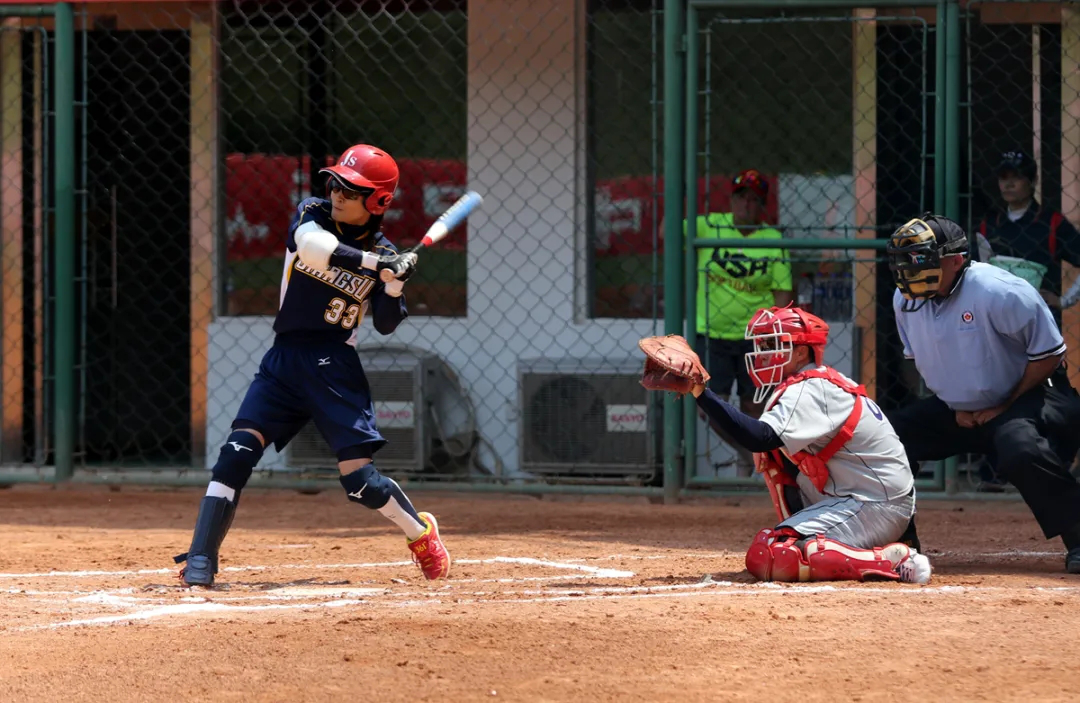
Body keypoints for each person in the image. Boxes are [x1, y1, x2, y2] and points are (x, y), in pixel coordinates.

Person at [174, 144, 451, 587]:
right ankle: (202, 558)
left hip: (335, 367)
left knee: (361, 484)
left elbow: (384, 324)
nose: (337, 192)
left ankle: (420, 533)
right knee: (236, 453)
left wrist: (395, 284)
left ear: (378, 201)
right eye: (336, 182)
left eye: (351, 188)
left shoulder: (385, 253)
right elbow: (313, 249)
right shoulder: (314, 215)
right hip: (284, 360)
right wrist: (377, 265)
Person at [637, 308, 932, 584]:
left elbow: (758, 435)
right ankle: (882, 541)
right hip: (869, 498)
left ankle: (891, 561)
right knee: (776, 464)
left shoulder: (811, 388)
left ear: (801, 351)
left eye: (772, 345)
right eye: (761, 346)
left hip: (875, 504)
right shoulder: (811, 383)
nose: (762, 354)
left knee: (776, 552)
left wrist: (700, 391)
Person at [886, 213, 1080, 574]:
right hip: (959, 408)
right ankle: (898, 542)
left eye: (921, 259)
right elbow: (925, 360)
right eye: (905, 261)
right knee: (886, 439)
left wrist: (1003, 404)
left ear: (955, 259)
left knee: (1020, 447)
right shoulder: (905, 300)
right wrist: (951, 404)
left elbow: (1051, 356)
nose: (909, 270)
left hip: (1028, 393)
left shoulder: (999, 291)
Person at [686, 169, 793, 476]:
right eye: (741, 197)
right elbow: (668, 233)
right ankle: (748, 455)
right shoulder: (709, 226)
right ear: (731, 200)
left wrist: (777, 332)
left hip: (755, 337)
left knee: (755, 406)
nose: (746, 204)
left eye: (754, 199)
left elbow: (782, 292)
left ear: (762, 206)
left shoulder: (772, 239)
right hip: (711, 332)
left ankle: (757, 465)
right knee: (706, 401)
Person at [978, 150, 1080, 323]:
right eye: (1003, 177)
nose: (1008, 184)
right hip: (997, 320)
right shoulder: (990, 223)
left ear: (1033, 181)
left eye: (1016, 177)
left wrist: (1064, 301)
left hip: (1039, 322)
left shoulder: (1052, 223)